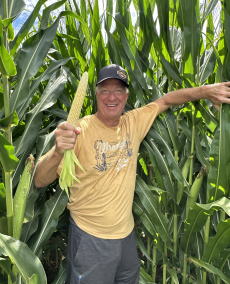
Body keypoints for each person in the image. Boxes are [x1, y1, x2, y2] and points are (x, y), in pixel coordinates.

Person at [34, 64, 230, 284]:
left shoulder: (133, 122)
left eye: (118, 90)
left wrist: (205, 92)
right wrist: (58, 151)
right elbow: (40, 179)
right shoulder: (80, 130)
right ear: (96, 94)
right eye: (105, 90)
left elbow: (166, 100)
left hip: (126, 240)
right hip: (91, 241)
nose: (112, 97)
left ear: (126, 96)